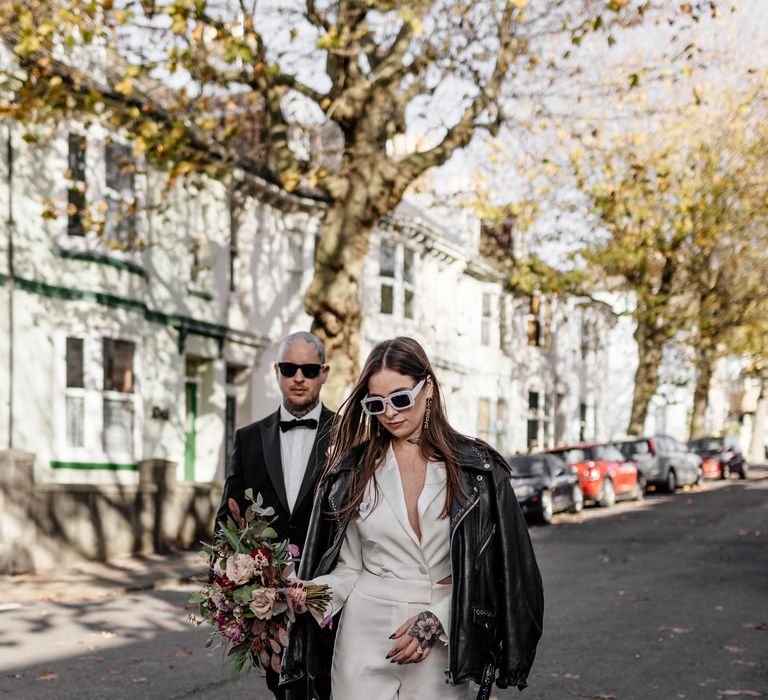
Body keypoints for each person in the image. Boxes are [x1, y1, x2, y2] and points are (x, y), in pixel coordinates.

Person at [281, 337, 543, 700]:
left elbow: (496, 573)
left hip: (442, 640)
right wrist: (311, 593)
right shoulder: (353, 471)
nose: (389, 413)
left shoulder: (477, 471)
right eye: (376, 404)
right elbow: (350, 568)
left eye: (401, 398)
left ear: (429, 388)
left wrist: (436, 620)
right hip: (362, 637)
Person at [214, 331, 334, 700]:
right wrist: (227, 588)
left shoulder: (350, 435)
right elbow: (228, 520)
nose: (299, 377)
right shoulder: (248, 439)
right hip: (270, 602)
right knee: (282, 692)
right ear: (277, 372)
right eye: (290, 368)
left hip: (333, 597)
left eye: (309, 370)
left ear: (324, 374)